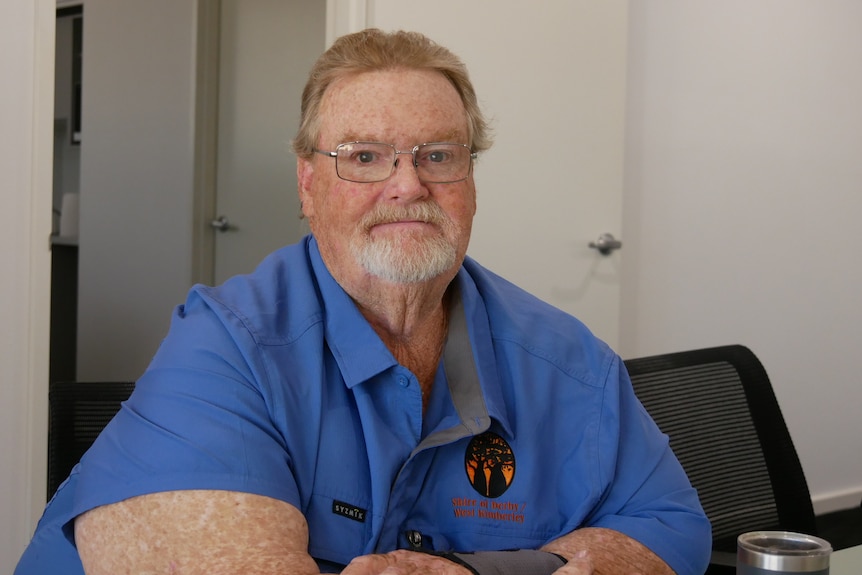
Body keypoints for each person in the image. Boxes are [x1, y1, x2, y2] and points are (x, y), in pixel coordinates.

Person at [16, 28, 710, 575]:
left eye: (439, 154)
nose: (408, 184)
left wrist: (476, 570)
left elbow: (670, 523)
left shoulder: (568, 359)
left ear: (470, 180)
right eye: (365, 156)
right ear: (308, 185)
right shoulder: (226, 348)